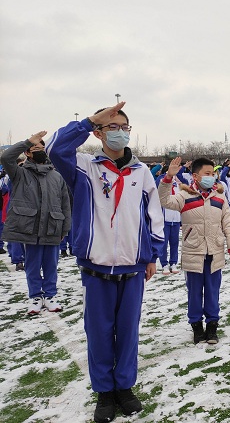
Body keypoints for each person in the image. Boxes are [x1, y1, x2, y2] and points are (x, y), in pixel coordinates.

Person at [47, 102, 164, 423]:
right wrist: (88, 121)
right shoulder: (84, 166)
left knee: (128, 331)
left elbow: (153, 216)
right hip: (96, 268)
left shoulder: (142, 173)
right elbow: (55, 147)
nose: (121, 132)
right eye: (112, 126)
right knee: (99, 331)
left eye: (125, 127)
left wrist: (151, 254)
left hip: (133, 267)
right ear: (98, 132)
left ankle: (124, 387)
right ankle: (104, 393)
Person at [159, 156, 230, 345]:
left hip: (215, 251)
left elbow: (227, 221)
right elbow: (164, 200)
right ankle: (196, 326)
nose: (211, 177)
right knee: (194, 292)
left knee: (213, 291)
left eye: (213, 174)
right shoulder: (184, 196)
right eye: (207, 174)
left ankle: (212, 326)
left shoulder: (219, 196)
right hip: (194, 252)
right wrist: (168, 178)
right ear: (195, 176)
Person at [1, 133, 71, 314]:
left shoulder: (56, 176)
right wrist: (27, 142)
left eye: (42, 148)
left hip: (52, 228)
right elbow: (5, 157)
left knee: (51, 266)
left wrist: (65, 227)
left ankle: (50, 295)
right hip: (30, 230)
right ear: (28, 153)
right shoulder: (20, 173)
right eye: (35, 149)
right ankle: (35, 297)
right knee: (32, 266)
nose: (40, 151)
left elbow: (65, 204)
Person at [155, 163, 189, 274]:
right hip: (165, 218)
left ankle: (173, 263)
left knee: (174, 242)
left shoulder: (178, 185)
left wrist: (181, 170)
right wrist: (168, 175)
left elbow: (186, 184)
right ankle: (164, 264)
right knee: (163, 243)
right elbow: (158, 183)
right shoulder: (163, 183)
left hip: (176, 218)